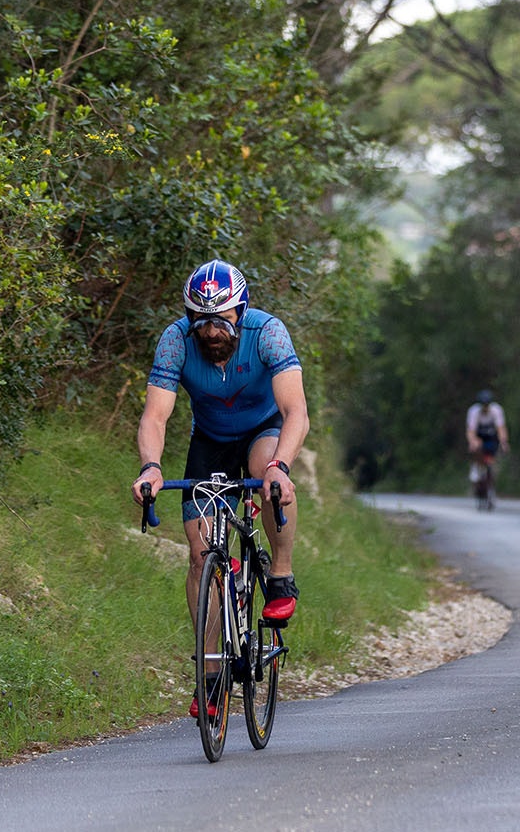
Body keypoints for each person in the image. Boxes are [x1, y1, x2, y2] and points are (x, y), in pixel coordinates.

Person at [130, 259, 309, 721]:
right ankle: (210, 675)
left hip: (262, 433)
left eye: (222, 320)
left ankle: (279, 575)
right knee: (198, 553)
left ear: (241, 312)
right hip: (209, 441)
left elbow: (295, 412)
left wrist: (281, 468)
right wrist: (151, 467)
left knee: (266, 475)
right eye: (202, 321)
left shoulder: (268, 333)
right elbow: (155, 416)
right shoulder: (175, 341)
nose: (211, 331)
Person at [465, 389, 510, 503]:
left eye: (487, 405)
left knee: (493, 457)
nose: (485, 407)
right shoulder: (474, 411)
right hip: (479, 435)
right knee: (476, 448)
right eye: (483, 405)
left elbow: (501, 428)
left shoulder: (496, 410)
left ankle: (491, 483)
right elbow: (471, 431)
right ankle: (476, 468)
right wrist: (472, 442)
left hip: (491, 435)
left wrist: (504, 442)